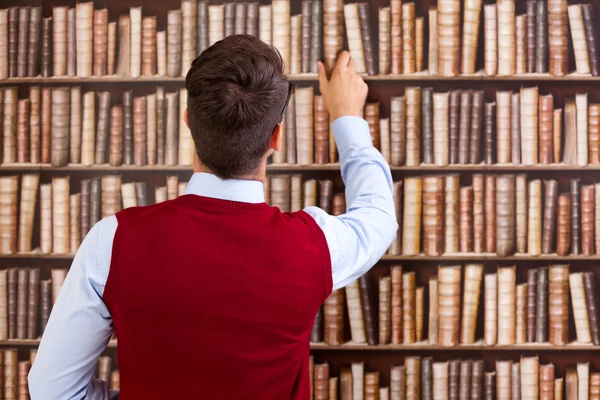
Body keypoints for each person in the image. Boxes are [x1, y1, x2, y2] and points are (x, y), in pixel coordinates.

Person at [28, 35, 397, 399]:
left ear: (188, 121)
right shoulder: (315, 246)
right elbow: (378, 217)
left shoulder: (112, 242)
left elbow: (51, 390)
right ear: (276, 138)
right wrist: (347, 119)